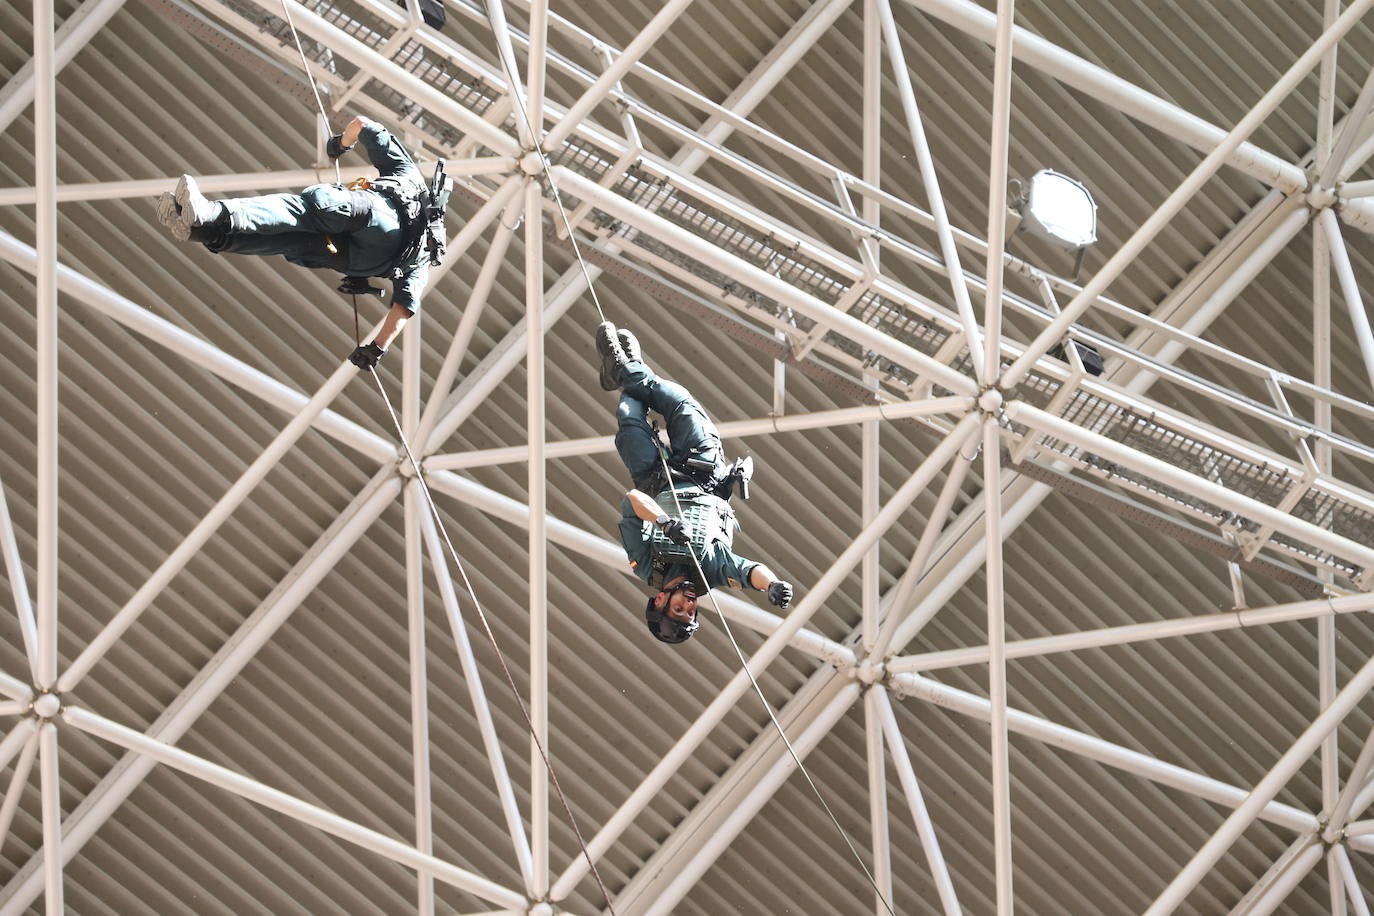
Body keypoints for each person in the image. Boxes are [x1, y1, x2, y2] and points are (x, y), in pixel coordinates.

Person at [155, 115, 448, 371]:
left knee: (298, 210)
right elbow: (403, 309)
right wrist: (376, 348)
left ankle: (209, 213)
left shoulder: (409, 178)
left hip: (359, 212)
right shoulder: (423, 258)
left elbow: (361, 124)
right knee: (286, 240)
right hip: (345, 255)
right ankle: (202, 232)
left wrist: (340, 144)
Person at [596, 321, 793, 645]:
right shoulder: (712, 571)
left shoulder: (647, 566)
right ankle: (626, 369)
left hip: (654, 477)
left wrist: (663, 522)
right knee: (678, 400)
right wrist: (772, 585)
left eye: (679, 609)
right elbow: (749, 573)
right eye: (691, 612)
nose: (689, 605)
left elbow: (630, 501)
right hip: (705, 469)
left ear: (660, 601)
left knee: (629, 412)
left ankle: (625, 370)